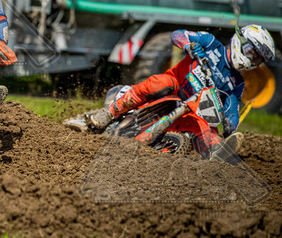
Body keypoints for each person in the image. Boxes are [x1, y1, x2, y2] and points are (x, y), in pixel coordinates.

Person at [83, 25, 276, 157]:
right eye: (251, 53)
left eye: (257, 59)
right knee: (161, 83)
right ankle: (109, 113)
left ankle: (215, 155)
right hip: (174, 87)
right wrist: (188, 45)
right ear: (240, 42)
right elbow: (177, 34)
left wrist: (229, 125)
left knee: (208, 131)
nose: (251, 60)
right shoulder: (210, 43)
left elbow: (232, 109)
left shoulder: (237, 82)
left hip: (194, 111)